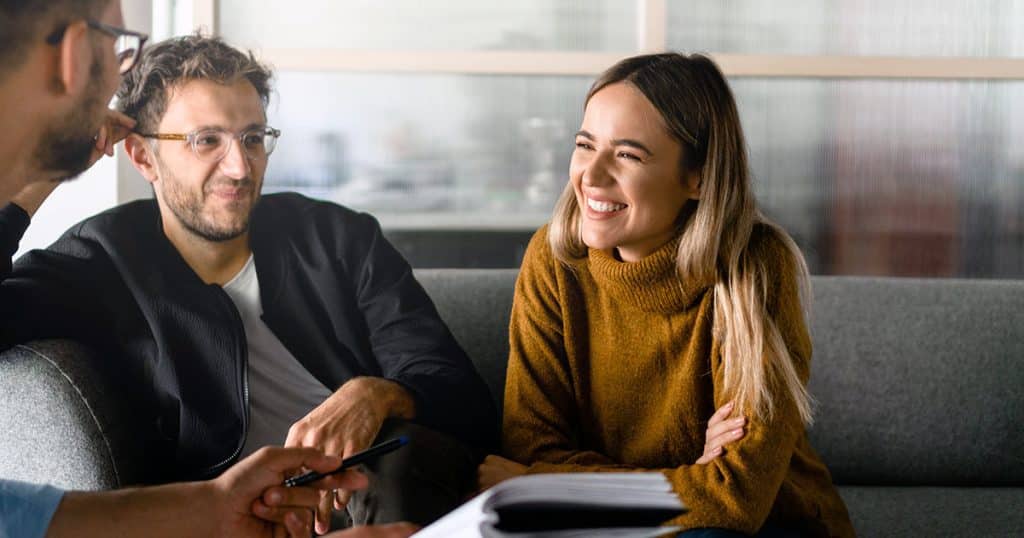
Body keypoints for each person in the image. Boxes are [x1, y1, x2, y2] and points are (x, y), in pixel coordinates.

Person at [1, 32, 497, 535]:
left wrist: (377, 394)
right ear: (144, 157)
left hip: (386, 494)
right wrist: (37, 177)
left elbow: (463, 398)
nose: (240, 167)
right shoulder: (100, 260)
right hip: (233, 516)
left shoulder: (339, 237)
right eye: (207, 140)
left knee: (406, 465)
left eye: (253, 138)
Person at [477, 53, 855, 537]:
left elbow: (735, 498)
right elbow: (530, 448)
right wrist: (692, 477)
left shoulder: (754, 267)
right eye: (584, 145)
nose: (591, 176)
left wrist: (547, 483)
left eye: (628, 155)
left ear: (697, 177)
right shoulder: (553, 260)